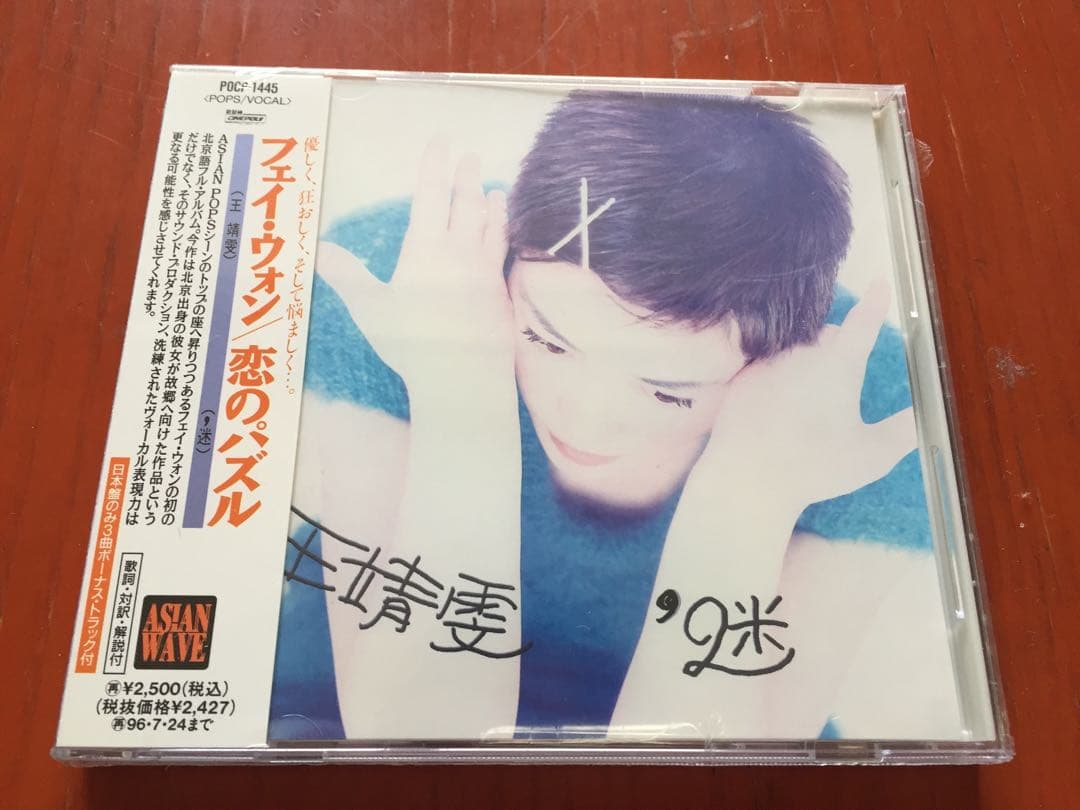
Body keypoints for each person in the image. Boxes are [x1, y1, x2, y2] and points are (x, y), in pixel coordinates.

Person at [273, 91, 962, 742]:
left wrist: (748, 494)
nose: (587, 419)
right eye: (545, 338)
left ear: (780, 360)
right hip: (349, 692)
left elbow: (715, 771)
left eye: (669, 391)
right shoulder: (412, 276)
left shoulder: (865, 405)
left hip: (703, 711)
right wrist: (458, 391)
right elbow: (420, 733)